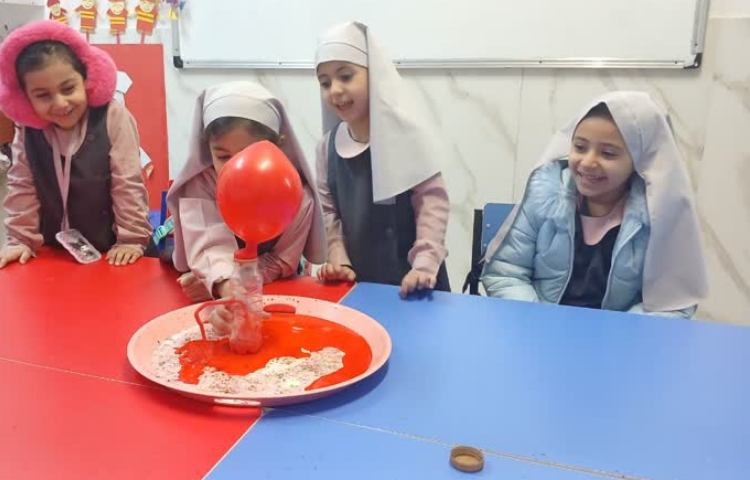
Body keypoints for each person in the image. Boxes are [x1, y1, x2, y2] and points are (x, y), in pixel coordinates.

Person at [482, 91, 707, 317]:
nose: (588, 162)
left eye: (608, 153)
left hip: (620, 335)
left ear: (640, 159)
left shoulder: (660, 213)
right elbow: (506, 273)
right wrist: (540, 321)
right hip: (539, 326)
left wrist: (616, 332)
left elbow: (674, 303)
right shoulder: (544, 195)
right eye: (580, 147)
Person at [0, 20, 153, 268]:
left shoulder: (113, 116)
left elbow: (127, 182)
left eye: (68, 88)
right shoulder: (27, 129)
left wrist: (131, 239)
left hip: (113, 249)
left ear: (86, 79)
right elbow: (22, 187)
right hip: (55, 253)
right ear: (26, 99)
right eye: (43, 95)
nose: (60, 103)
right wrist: (20, 239)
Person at [314, 21, 451, 298]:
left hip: (414, 283)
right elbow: (328, 212)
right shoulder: (326, 147)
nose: (335, 90)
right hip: (359, 285)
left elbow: (432, 204)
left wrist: (424, 264)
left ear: (373, 75)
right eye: (325, 83)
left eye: (346, 76)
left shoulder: (406, 135)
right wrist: (338, 259)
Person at [167, 81, 326, 302]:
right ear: (208, 149)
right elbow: (209, 246)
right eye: (223, 156)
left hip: (276, 293)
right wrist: (221, 281)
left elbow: (282, 260)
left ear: (278, 145)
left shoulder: (297, 195)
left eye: (247, 154)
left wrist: (240, 281)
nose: (236, 168)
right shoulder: (200, 186)